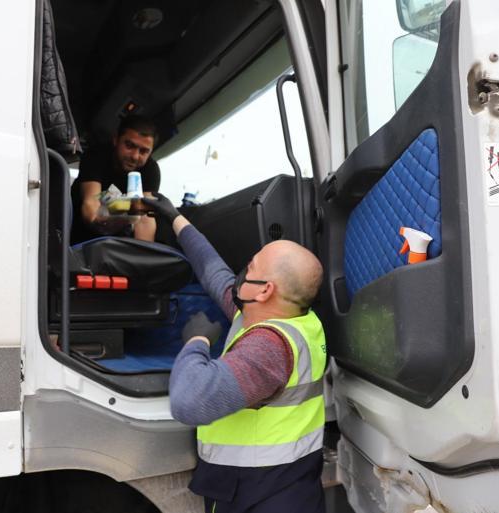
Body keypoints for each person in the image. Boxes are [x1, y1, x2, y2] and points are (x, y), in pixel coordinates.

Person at [142, 194, 327, 513]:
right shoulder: (286, 315)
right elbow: (214, 271)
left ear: (265, 290)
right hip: (283, 482)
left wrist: (196, 341)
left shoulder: (270, 347)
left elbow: (190, 402)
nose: (243, 269)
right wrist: (174, 218)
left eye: (251, 265)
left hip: (266, 496)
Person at [71, 115, 160, 243]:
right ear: (116, 140)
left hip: (115, 239)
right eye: (129, 145)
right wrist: (112, 219)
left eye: (144, 151)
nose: (135, 156)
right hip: (76, 230)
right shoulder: (96, 156)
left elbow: (146, 218)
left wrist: (144, 257)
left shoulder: (150, 170)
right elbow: (91, 205)